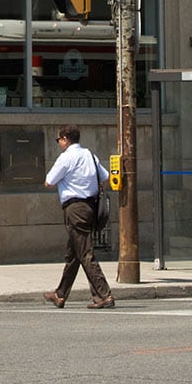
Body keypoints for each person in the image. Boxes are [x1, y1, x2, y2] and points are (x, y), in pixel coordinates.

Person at [43, 126, 114, 309]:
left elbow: (49, 181)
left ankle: (104, 294)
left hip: (75, 209)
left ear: (65, 139)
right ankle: (60, 295)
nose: (59, 143)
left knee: (84, 253)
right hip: (91, 207)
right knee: (73, 254)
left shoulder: (66, 157)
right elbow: (104, 176)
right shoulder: (90, 155)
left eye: (59, 140)